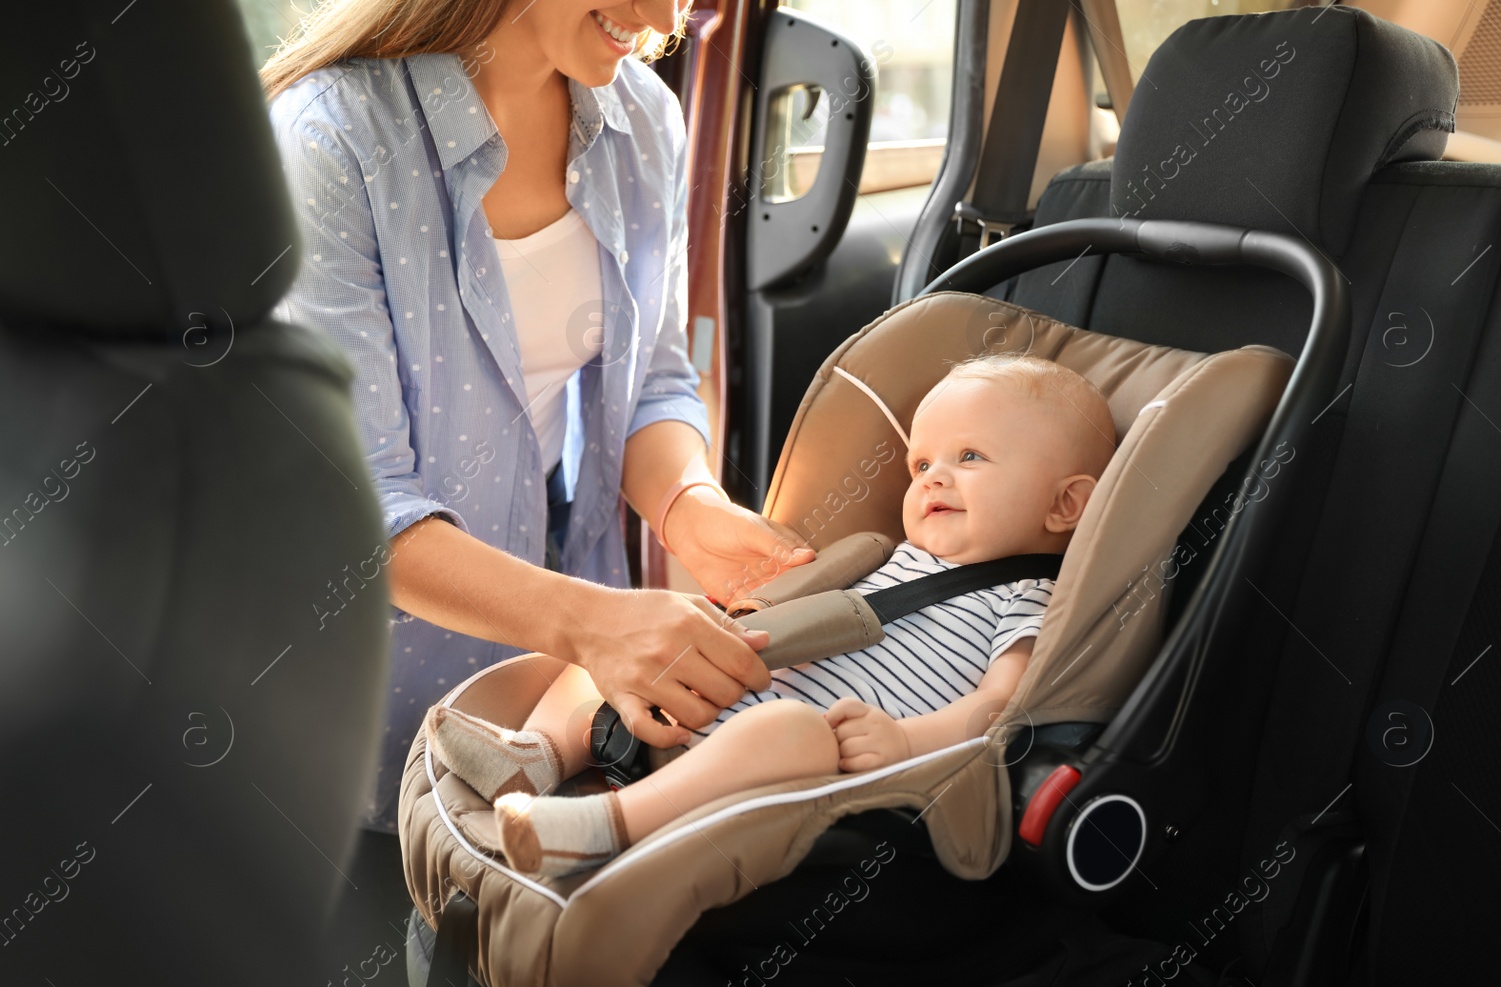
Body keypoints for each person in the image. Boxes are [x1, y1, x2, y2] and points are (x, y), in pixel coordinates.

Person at [260, 0, 815, 836]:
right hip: (352, 694)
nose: (664, 18)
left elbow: (653, 381)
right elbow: (361, 508)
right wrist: (593, 624)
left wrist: (689, 511)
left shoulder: (643, 117)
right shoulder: (330, 140)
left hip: (549, 666)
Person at [427, 355, 1119, 876]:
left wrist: (905, 742)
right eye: (921, 462)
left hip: (806, 763)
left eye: (969, 457)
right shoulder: (892, 557)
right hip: (720, 696)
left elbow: (1001, 707)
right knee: (631, 628)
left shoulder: (1023, 596)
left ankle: (599, 826)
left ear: (1064, 505)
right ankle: (540, 754)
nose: (933, 476)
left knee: (792, 731)